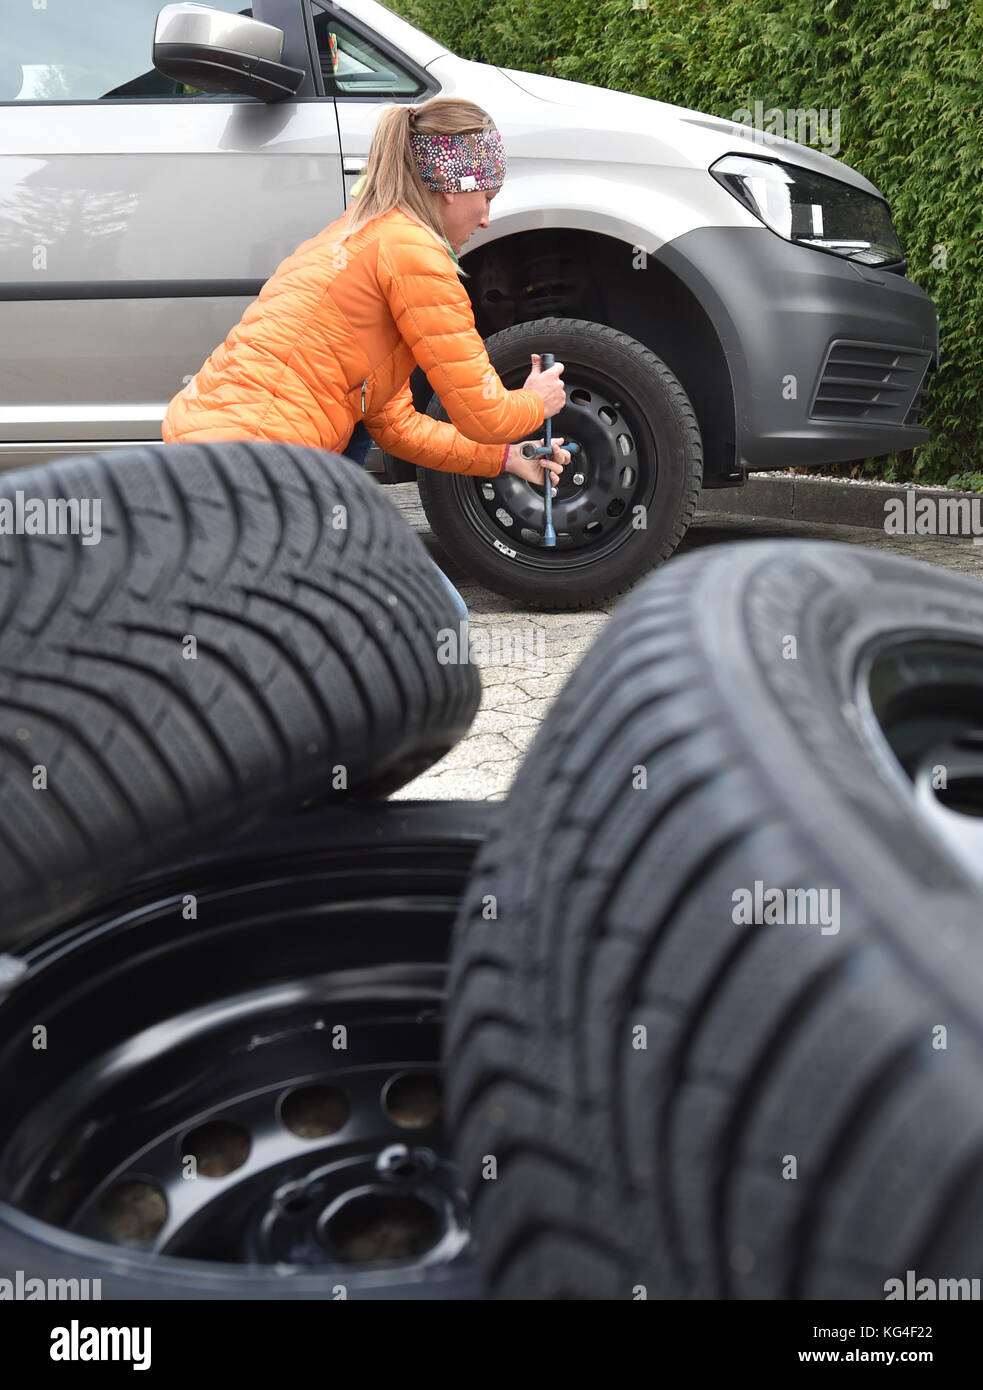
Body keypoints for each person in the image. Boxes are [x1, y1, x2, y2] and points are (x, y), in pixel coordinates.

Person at [161, 97, 570, 623]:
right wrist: (534, 403)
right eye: (486, 197)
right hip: (260, 476)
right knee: (432, 622)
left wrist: (508, 458)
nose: (488, 218)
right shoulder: (414, 254)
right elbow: (485, 413)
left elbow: (394, 424)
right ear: (453, 185)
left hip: (214, 461)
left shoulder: (361, 234)